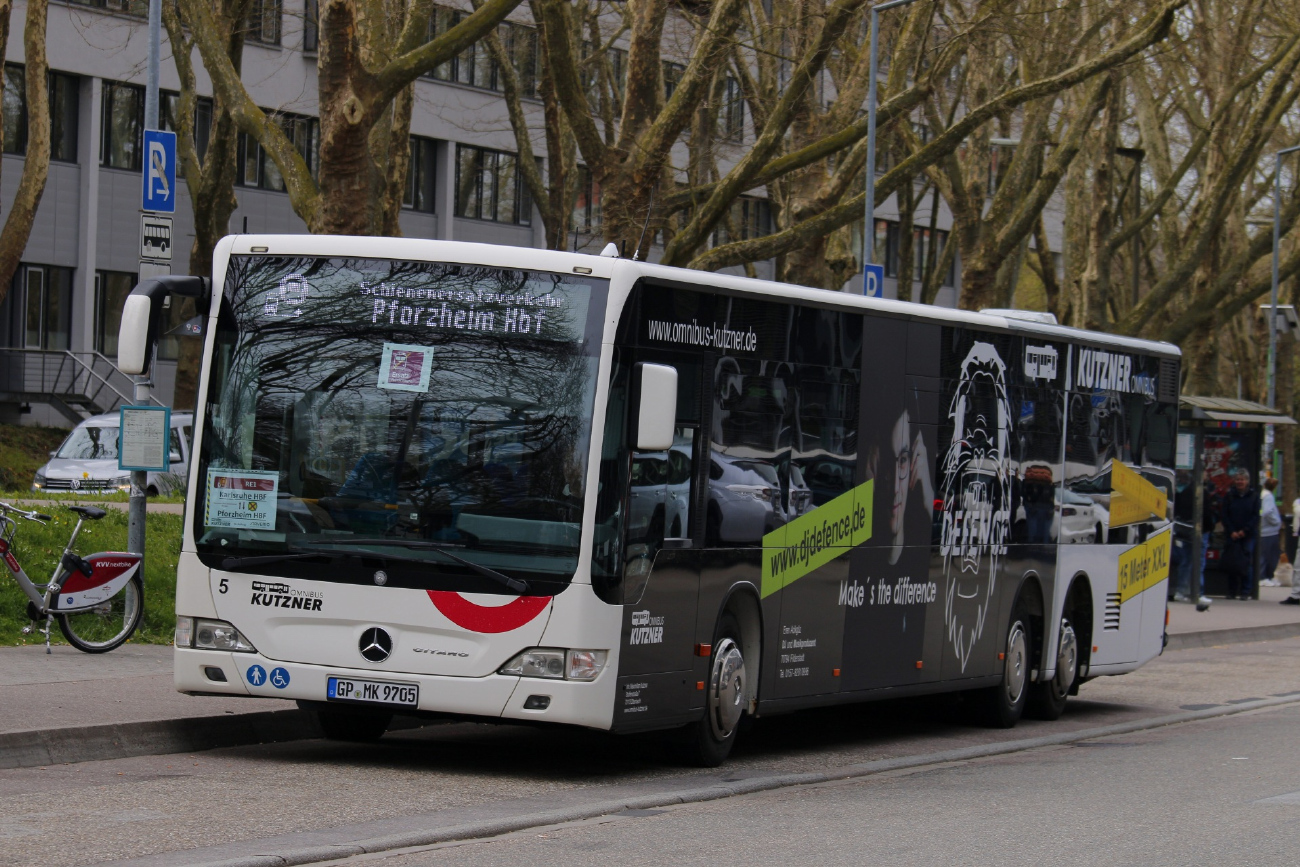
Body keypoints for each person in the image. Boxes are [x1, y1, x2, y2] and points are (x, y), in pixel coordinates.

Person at [1220, 468, 1259, 599]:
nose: (1240, 482)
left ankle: (1245, 591)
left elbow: (1256, 516)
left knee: (1246, 562)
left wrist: (1245, 531)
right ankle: (1231, 591)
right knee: (1232, 563)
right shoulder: (1229, 495)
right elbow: (1224, 515)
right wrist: (1231, 531)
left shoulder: (1254, 496)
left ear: (1247, 481)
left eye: (1242, 479)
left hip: (1248, 535)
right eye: (1237, 479)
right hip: (1232, 534)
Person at [1259, 478, 1283, 587]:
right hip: (1269, 531)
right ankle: (1263, 577)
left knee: (1266, 554)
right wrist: (1276, 521)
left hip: (1266, 530)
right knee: (1269, 555)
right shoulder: (1268, 496)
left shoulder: (1263, 494)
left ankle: (1266, 576)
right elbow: (1267, 512)